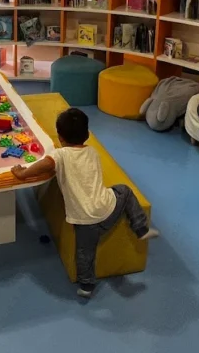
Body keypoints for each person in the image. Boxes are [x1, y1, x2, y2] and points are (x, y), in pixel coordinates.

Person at [12, 108, 158, 298]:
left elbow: (46, 164)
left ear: (60, 137)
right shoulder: (92, 152)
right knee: (124, 190)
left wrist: (23, 173)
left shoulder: (60, 155)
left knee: (84, 253)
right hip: (107, 210)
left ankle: (86, 286)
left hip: (85, 222)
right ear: (87, 135)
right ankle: (140, 228)